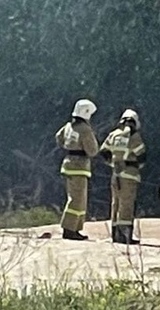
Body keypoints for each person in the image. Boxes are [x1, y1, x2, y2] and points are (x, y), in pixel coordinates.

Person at [55, 98, 99, 240]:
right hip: (79, 167)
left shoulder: (68, 126)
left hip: (67, 164)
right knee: (77, 200)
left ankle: (74, 229)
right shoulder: (85, 129)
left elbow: (58, 138)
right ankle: (69, 230)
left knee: (75, 198)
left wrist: (69, 147)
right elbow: (92, 150)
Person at [100, 108, 146, 244]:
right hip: (129, 175)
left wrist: (113, 164)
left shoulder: (114, 135)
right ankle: (124, 236)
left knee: (116, 203)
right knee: (127, 204)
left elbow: (103, 151)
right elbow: (142, 156)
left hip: (115, 174)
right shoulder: (134, 137)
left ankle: (115, 234)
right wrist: (136, 167)